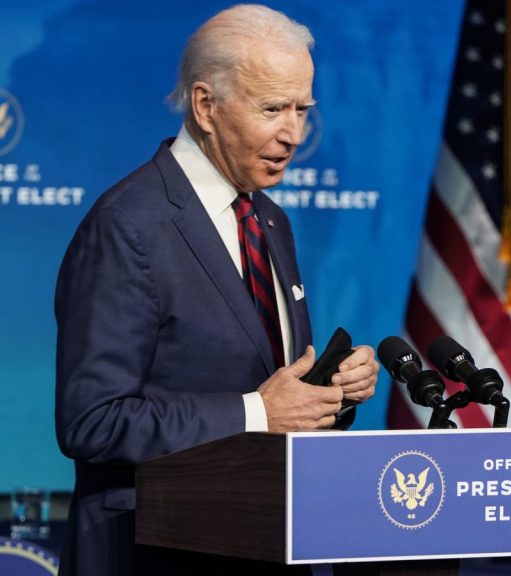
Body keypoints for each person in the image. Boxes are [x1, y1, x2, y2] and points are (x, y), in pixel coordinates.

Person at [53, 5, 379, 575]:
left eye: (302, 109)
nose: (295, 134)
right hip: (154, 551)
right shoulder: (129, 224)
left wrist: (329, 393)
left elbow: (266, 387)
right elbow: (93, 421)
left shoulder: (270, 219)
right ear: (206, 106)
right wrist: (258, 411)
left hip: (268, 541)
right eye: (273, 109)